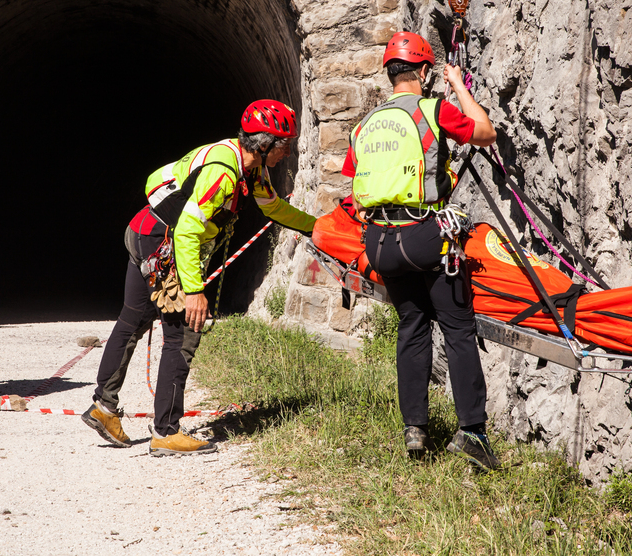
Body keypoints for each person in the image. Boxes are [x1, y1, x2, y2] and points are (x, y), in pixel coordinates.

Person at [83, 100, 316, 456]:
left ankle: (104, 407)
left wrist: (318, 228)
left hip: (143, 230)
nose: (288, 151)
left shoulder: (249, 165)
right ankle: (166, 433)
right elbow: (189, 231)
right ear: (265, 143)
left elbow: (274, 207)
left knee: (131, 322)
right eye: (285, 143)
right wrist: (194, 292)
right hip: (163, 244)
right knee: (182, 334)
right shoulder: (224, 172)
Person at [342, 31, 499, 469]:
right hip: (425, 236)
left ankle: (415, 428)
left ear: (390, 73)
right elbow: (485, 133)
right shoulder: (433, 108)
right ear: (424, 72)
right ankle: (473, 434)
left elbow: (353, 178)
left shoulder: (365, 124)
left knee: (411, 324)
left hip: (379, 242)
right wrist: (460, 87)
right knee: (456, 327)